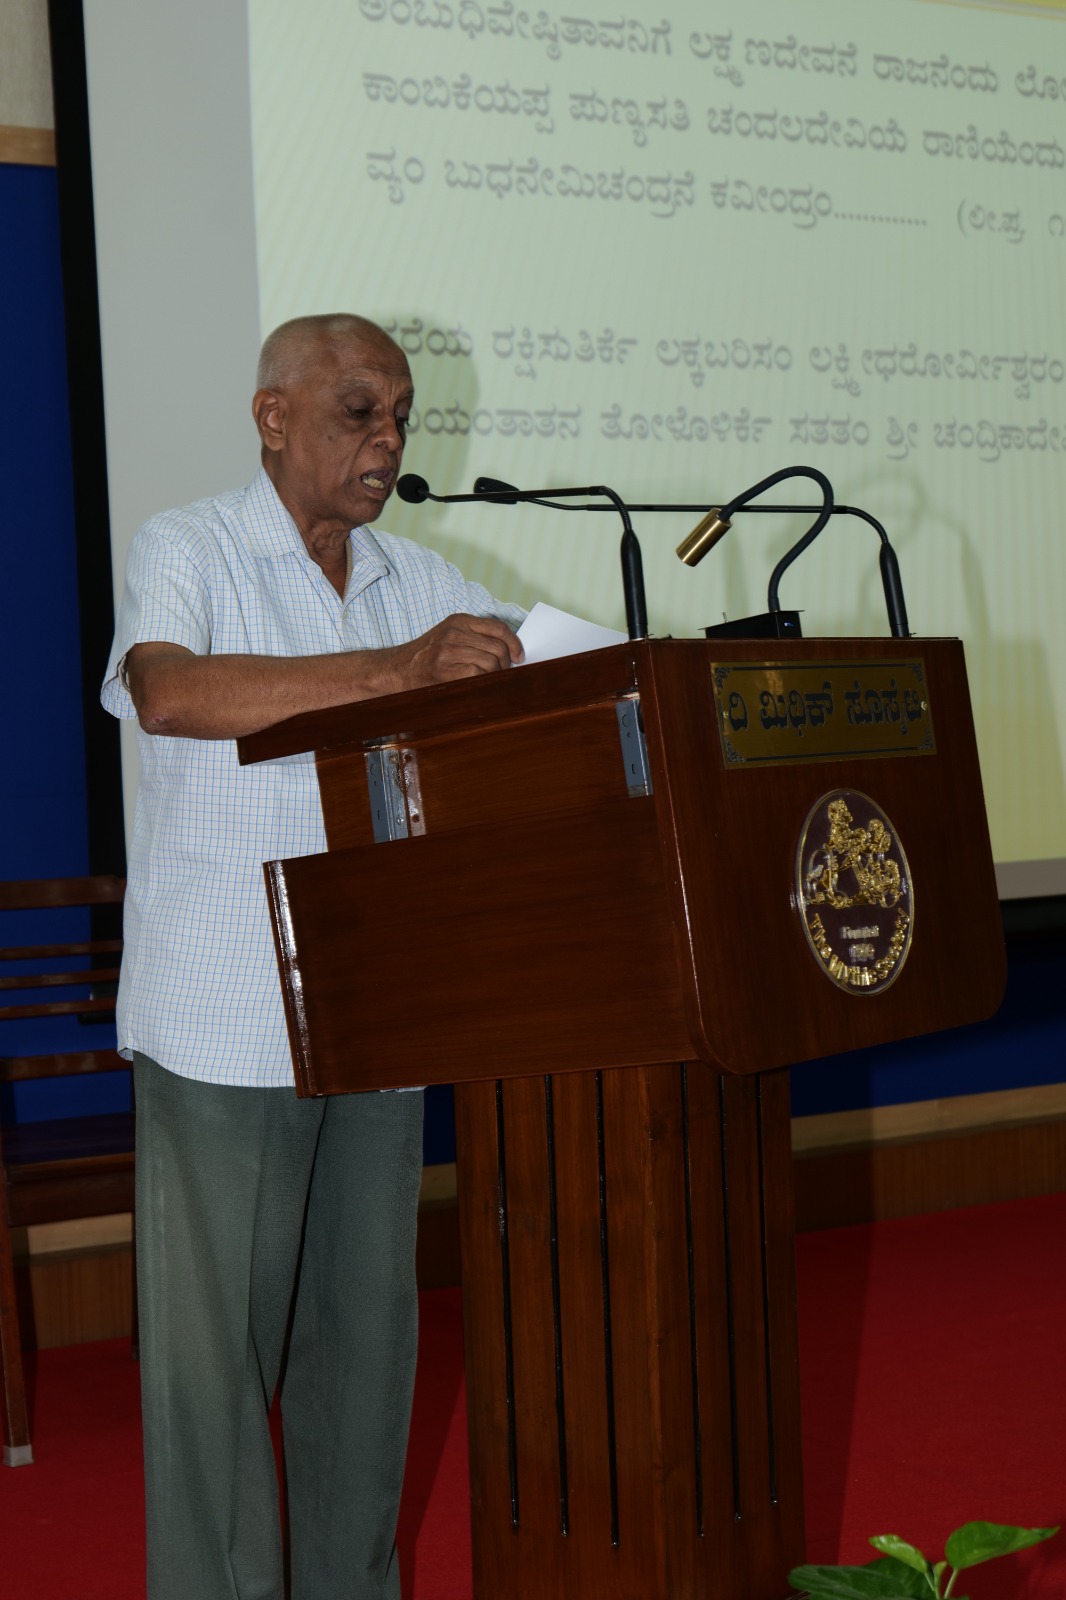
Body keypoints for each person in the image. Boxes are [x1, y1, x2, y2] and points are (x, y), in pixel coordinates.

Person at [101, 313, 525, 1600]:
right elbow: (172, 693)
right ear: (273, 416)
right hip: (223, 1015)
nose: (387, 440)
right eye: (358, 412)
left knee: (363, 1356)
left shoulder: (426, 578)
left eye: (400, 416)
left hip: (376, 1013)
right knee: (213, 1372)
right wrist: (398, 673)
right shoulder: (188, 546)